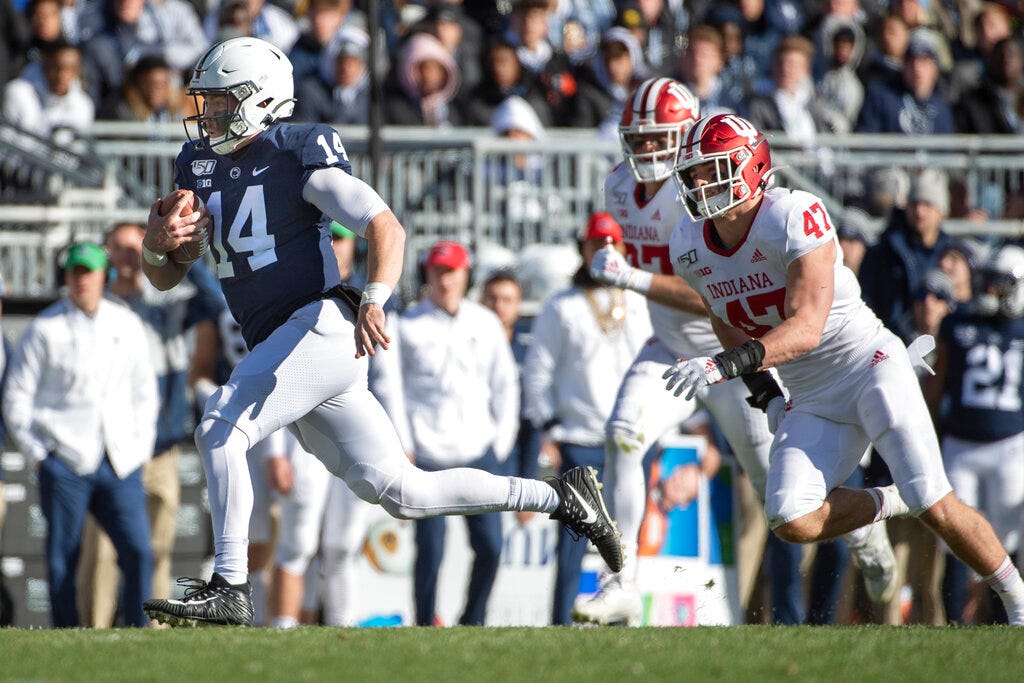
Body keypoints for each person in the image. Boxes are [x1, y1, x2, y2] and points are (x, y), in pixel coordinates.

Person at [138, 37, 622, 627]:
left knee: (219, 425)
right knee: (402, 492)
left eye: (219, 101)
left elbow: (382, 224)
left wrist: (375, 297)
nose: (207, 114)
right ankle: (561, 496)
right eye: (205, 102)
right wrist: (157, 248)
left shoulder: (294, 149)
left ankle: (230, 584)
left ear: (258, 101)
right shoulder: (199, 166)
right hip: (286, 346)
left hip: (321, 326)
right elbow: (164, 278)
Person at [666, 112, 1024, 627]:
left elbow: (806, 327)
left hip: (869, 365)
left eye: (712, 169)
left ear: (750, 166)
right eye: (693, 174)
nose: (699, 184)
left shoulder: (791, 214)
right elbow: (723, 317)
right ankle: (887, 502)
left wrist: (724, 367)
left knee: (935, 502)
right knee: (790, 518)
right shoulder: (689, 243)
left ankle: (1015, 598)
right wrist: (766, 394)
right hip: (810, 394)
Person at [572, 77, 801, 626]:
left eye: (659, 140)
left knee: (780, 494)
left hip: (734, 355)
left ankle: (836, 569)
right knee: (622, 436)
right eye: (639, 140)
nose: (647, 152)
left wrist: (631, 278)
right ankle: (620, 580)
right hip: (671, 349)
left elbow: (717, 299)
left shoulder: (706, 195)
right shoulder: (618, 189)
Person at [2, 242, 159, 628]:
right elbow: (16, 399)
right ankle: (66, 632)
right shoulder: (44, 329)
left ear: (103, 275)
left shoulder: (127, 324)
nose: (81, 280)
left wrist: (138, 449)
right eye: (75, 272)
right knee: (62, 558)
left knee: (138, 551)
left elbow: (145, 393)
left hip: (119, 459)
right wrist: (40, 455)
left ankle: (141, 632)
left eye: (88, 271)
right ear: (67, 277)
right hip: (66, 462)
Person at [77, 221, 221, 627]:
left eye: (134, 247)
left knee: (158, 549)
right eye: (119, 248)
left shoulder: (167, 304)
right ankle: (94, 633)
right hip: (108, 451)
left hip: (160, 449)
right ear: (105, 253)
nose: (127, 257)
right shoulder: (91, 306)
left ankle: (152, 634)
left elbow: (218, 303)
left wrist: (180, 255)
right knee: (102, 551)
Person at [523, 213, 653, 625]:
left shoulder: (640, 301)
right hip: (579, 438)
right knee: (574, 543)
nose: (604, 251)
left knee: (626, 540)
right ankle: (562, 622)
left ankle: (622, 617)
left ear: (624, 249)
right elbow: (536, 373)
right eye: (597, 244)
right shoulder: (561, 307)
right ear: (583, 248)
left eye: (612, 243)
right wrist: (548, 429)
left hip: (632, 436)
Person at [397, 240, 518, 626]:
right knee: (430, 551)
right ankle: (423, 623)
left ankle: (473, 619)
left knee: (491, 546)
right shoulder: (407, 324)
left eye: (451, 271)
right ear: (427, 275)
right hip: (428, 454)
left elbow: (505, 385)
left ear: (466, 275)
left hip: (478, 451)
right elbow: (393, 390)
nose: (444, 280)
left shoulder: (485, 323)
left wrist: (500, 442)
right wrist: (404, 445)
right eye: (437, 271)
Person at [924, 244, 1024, 624]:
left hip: (1011, 446)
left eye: (1000, 286)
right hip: (961, 444)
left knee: (1007, 540)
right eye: (989, 283)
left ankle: (1004, 619)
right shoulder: (959, 321)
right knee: (955, 537)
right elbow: (939, 381)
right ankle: (954, 622)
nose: (991, 293)